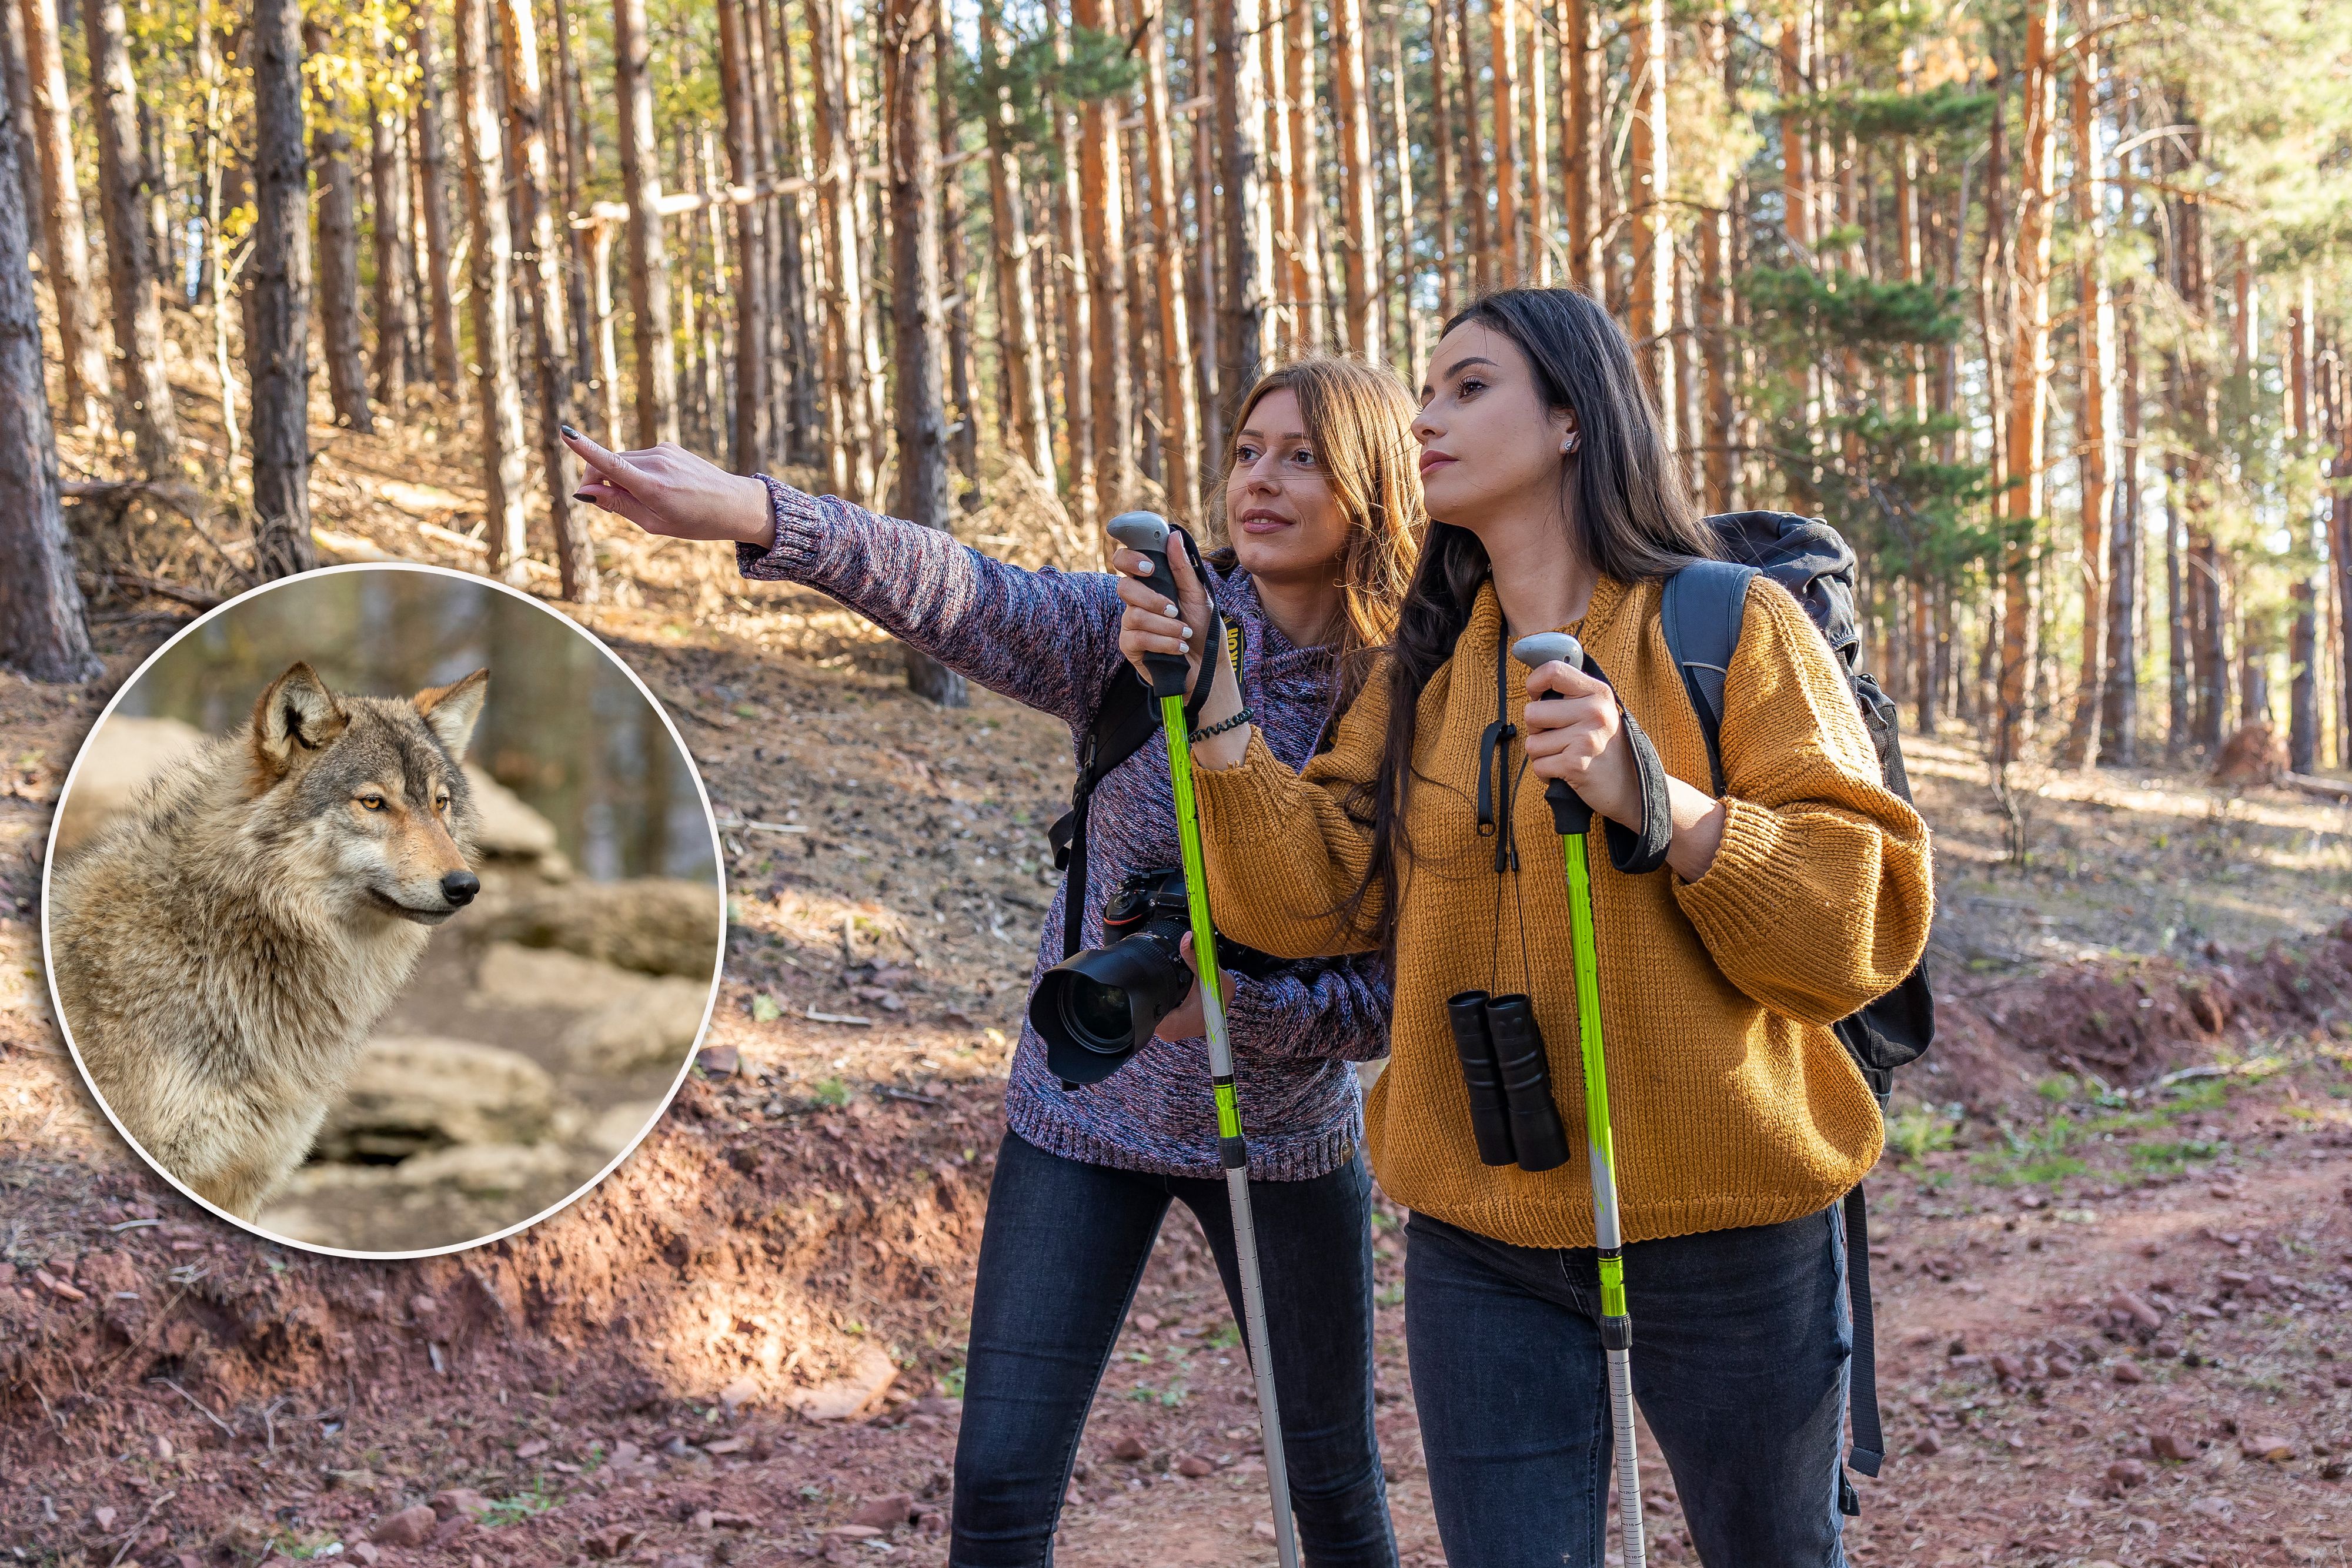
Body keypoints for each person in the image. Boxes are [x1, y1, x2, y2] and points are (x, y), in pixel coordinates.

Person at [1116, 289, 1934, 1567]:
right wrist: (1210, 696)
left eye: (1465, 386)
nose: (1425, 417)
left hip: (1728, 1222)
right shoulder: (1424, 670)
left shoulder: (1729, 626)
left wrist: (1648, 798)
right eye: (1425, 390)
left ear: (1568, 416)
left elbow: (1852, 922)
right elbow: (1303, 897)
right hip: (1479, 1235)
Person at [560, 354, 1421, 1567]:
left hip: (1277, 1134)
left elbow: (1389, 990)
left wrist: (1241, 1011)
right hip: (1080, 1106)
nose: (1260, 481)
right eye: (1246, 449)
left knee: (1330, 1488)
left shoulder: (1398, 701)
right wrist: (753, 511)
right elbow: (951, 587)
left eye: (1302, 455)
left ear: (1373, 487)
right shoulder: (1132, 636)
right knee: (1001, 1487)